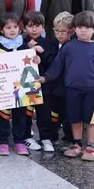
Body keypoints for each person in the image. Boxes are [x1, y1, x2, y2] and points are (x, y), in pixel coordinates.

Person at [39, 11, 94, 161]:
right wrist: (45, 78)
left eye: (87, 27)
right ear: (74, 29)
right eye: (80, 27)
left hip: (92, 90)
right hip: (72, 90)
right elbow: (57, 66)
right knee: (74, 118)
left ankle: (90, 147)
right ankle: (77, 144)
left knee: (91, 120)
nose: (83, 30)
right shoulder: (68, 47)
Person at [0, 12, 33, 156]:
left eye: (15, 27)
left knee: (20, 115)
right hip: (4, 89)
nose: (12, 30)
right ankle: (3, 141)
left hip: (21, 88)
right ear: (1, 30)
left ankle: (19, 141)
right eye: (8, 27)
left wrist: (35, 59)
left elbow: (29, 64)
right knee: (3, 115)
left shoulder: (24, 45)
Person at [23, 10, 59, 153]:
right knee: (25, 113)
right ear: (24, 28)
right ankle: (26, 136)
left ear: (43, 27)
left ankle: (46, 138)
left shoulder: (49, 44)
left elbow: (53, 63)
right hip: (25, 86)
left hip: (44, 85)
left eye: (37, 26)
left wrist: (41, 55)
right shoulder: (21, 43)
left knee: (44, 113)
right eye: (30, 26)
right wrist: (27, 49)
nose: (34, 29)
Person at [50, 12, 75, 147]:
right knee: (53, 113)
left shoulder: (74, 46)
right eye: (57, 31)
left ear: (71, 32)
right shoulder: (52, 44)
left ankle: (69, 138)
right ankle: (52, 136)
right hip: (54, 87)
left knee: (67, 115)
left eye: (63, 32)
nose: (60, 34)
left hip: (68, 87)